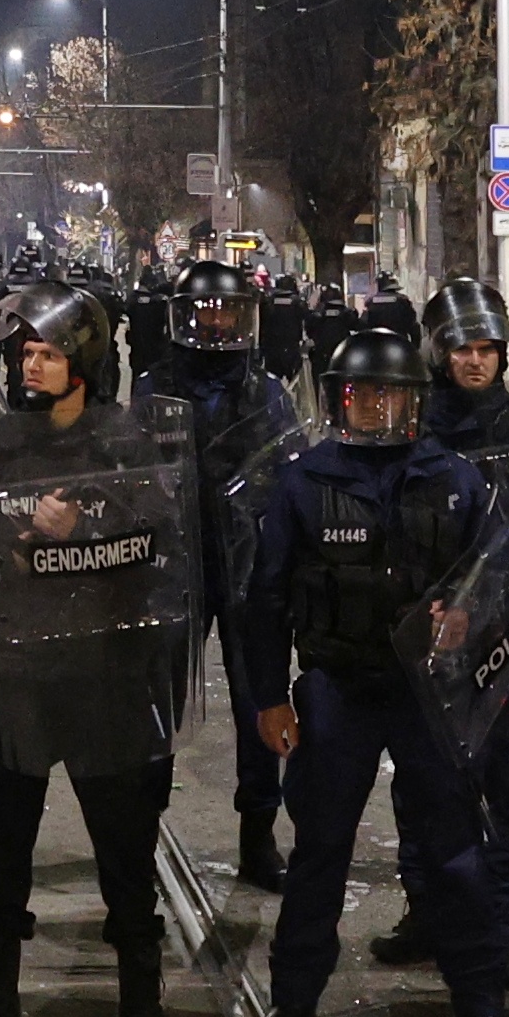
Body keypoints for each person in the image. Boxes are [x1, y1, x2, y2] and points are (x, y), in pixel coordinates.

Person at [243, 330, 509, 1017]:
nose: (375, 406)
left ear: (415, 399)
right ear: (340, 399)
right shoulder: (305, 482)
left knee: (457, 851)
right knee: (319, 852)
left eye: (390, 393)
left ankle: (480, 1004)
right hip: (339, 689)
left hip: (429, 694)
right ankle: (294, 1002)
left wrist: (470, 619)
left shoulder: (457, 479)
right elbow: (265, 599)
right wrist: (269, 698)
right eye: (361, 394)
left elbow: (501, 577)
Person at [0, 283, 190, 1017]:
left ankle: (141, 1001)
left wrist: (89, 525)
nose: (30, 364)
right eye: (24, 352)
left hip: (107, 674)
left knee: (125, 850)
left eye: (45, 352)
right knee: (5, 846)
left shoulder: (126, 441)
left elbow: (165, 543)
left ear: (82, 359)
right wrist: (1, 545)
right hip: (18, 675)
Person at [395, 283, 509, 983]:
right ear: (439, 353)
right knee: (426, 787)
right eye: (463, 348)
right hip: (433, 635)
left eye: (487, 349)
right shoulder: (413, 431)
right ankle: (429, 913)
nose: (476, 361)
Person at [152, 264, 306, 890]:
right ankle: (143, 827)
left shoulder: (268, 394)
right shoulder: (152, 388)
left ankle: (258, 835)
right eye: (205, 310)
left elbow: (291, 471)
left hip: (247, 563)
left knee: (259, 698)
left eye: (228, 311)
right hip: (176, 564)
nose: (216, 322)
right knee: (158, 704)